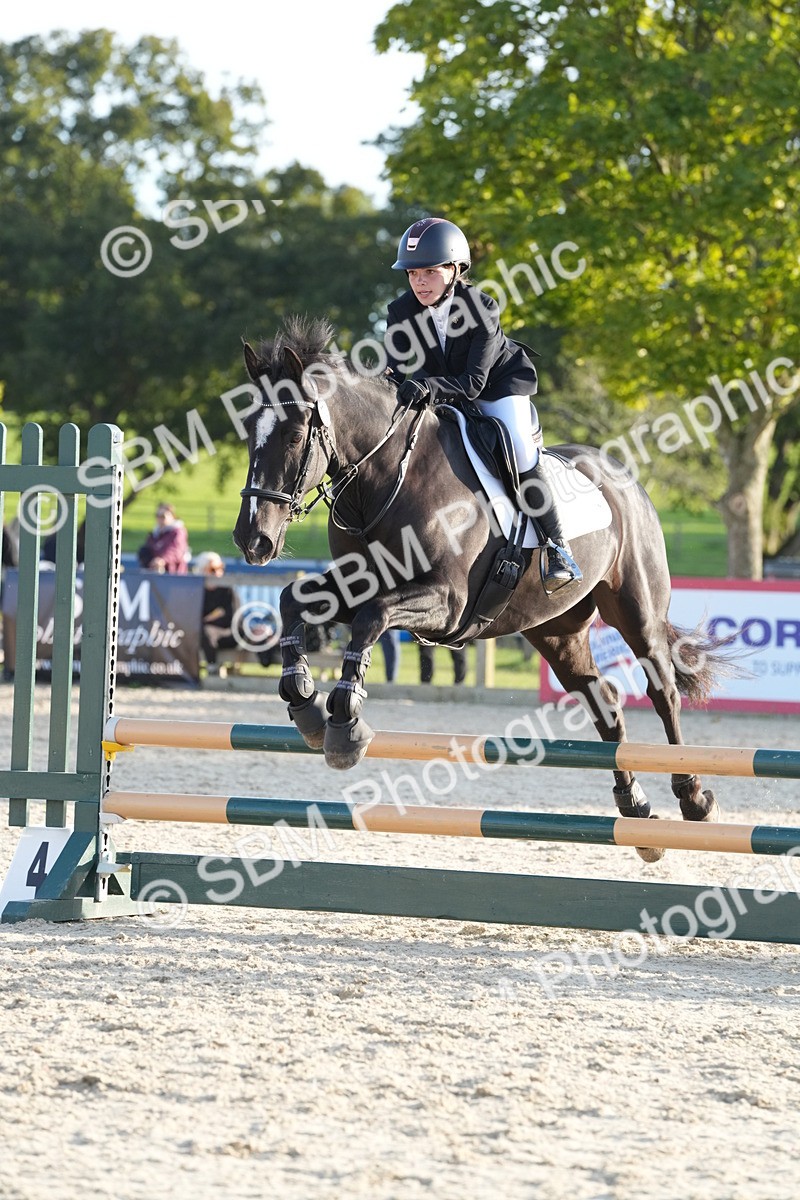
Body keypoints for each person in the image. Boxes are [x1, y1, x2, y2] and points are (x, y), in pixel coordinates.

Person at [384, 216, 581, 593]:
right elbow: (391, 366)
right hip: (442, 390)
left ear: (455, 270)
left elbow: (474, 384)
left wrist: (423, 386)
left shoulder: (482, 307)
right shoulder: (400, 312)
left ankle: (557, 547)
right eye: (412, 274)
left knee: (520, 451)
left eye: (429, 272)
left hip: (498, 387)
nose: (419, 282)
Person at [193, 551, 240, 671]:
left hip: (229, 634)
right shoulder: (196, 591)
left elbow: (232, 618)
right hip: (205, 635)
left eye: (220, 568)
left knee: (207, 631)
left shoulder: (227, 589)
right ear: (202, 570)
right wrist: (214, 617)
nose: (218, 573)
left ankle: (212, 668)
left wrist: (208, 619)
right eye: (213, 569)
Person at [137, 503, 190, 574]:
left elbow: (176, 551)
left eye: (163, 516)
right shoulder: (155, 534)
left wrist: (162, 560)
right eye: (157, 516)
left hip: (174, 574)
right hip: (156, 573)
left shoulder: (177, 532)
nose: (160, 519)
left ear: (172, 516)